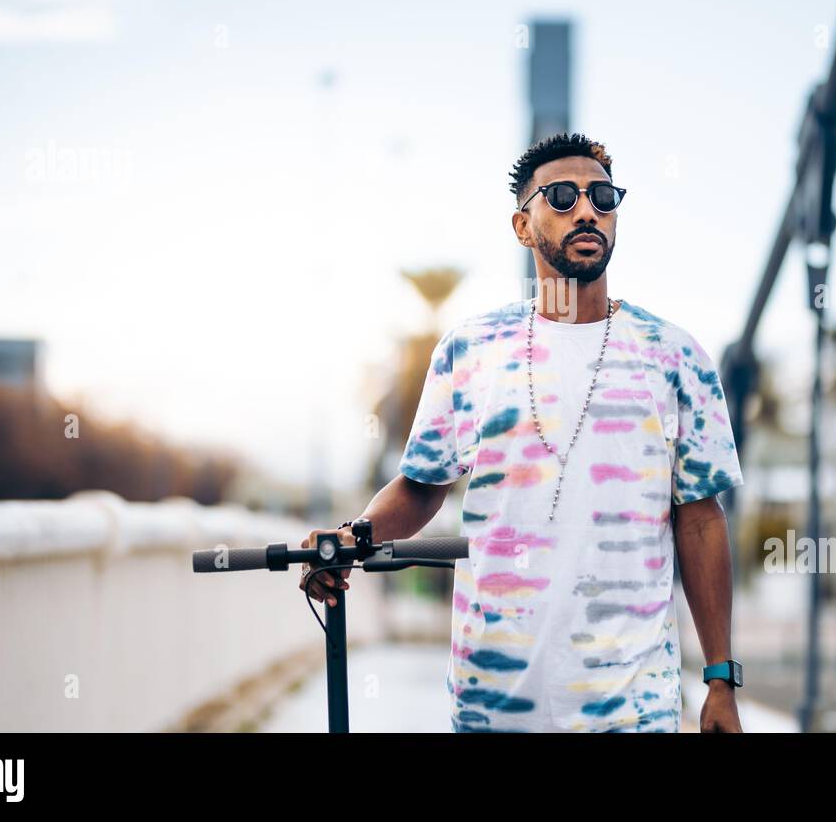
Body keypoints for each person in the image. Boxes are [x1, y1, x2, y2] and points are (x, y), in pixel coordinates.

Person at [301, 132, 746, 732]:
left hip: (634, 709)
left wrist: (720, 679)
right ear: (521, 224)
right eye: (561, 197)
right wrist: (353, 537)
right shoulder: (471, 349)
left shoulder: (675, 355)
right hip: (494, 703)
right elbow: (421, 487)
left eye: (603, 197)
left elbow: (699, 515)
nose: (587, 210)